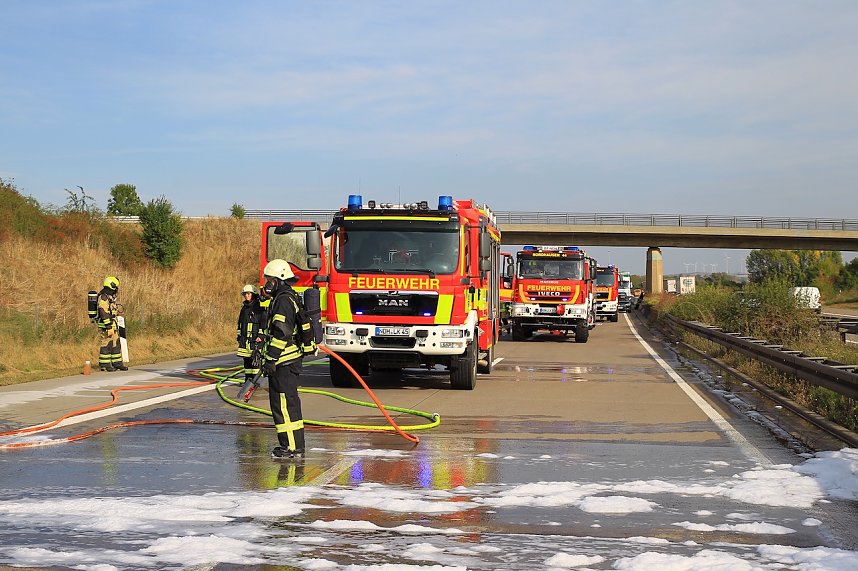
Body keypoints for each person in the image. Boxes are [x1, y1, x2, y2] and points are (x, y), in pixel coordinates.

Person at [260, 259, 316, 460]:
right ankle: (293, 445)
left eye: (269, 279)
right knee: (288, 403)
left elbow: (281, 333)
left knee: (284, 404)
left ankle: (291, 447)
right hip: (287, 361)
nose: (266, 283)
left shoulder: (283, 300)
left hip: (284, 361)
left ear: (278, 280)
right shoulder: (287, 297)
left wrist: (271, 358)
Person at [96, 276, 128, 372]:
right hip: (106, 326)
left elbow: (111, 310)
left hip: (113, 325)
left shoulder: (109, 297)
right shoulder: (103, 297)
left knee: (116, 343)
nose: (117, 289)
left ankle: (117, 363)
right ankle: (105, 364)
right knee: (106, 344)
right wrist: (108, 326)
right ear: (111, 286)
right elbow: (102, 312)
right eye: (116, 287)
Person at [236, 284, 265, 385]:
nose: (246, 296)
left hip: (255, 340)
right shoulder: (244, 308)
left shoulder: (260, 308)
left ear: (254, 294)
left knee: (255, 361)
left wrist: (261, 336)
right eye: (245, 294)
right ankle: (247, 381)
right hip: (245, 340)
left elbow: (264, 322)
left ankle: (256, 382)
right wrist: (239, 336)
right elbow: (240, 323)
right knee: (247, 362)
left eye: (248, 294)